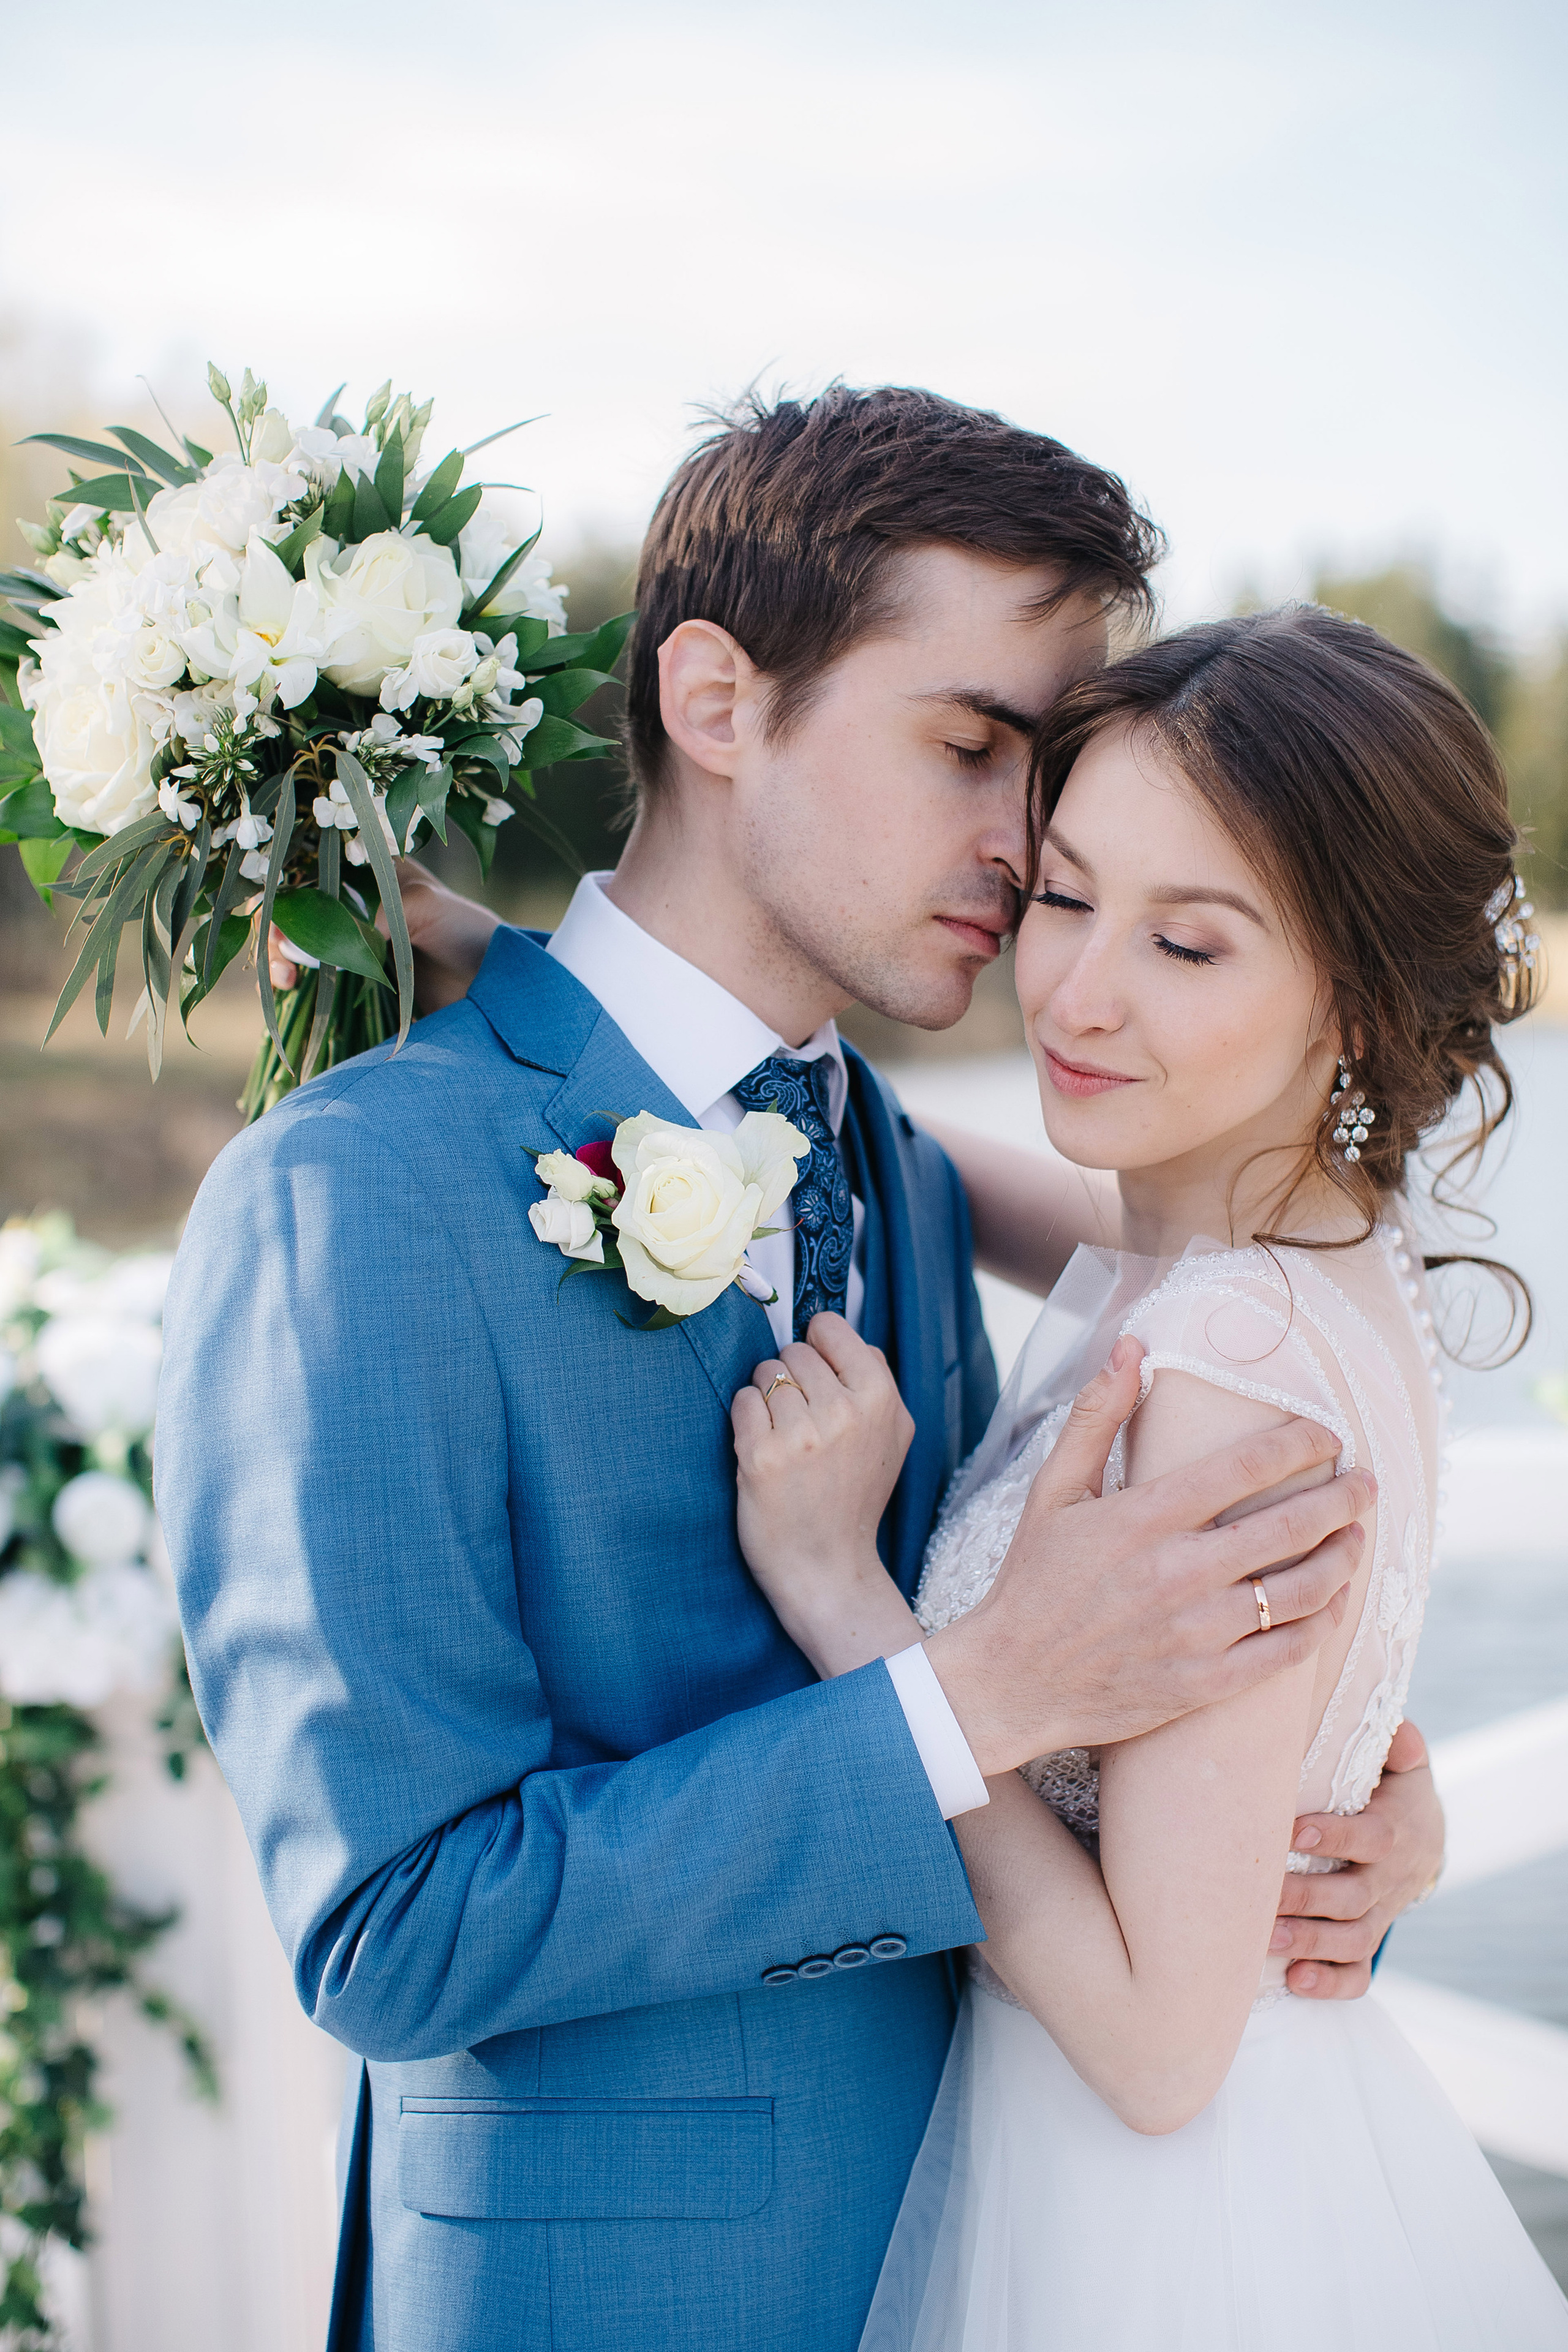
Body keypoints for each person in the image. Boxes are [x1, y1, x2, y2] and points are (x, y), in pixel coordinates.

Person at [160, 389, 1442, 2352]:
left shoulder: (897, 1164)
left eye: (1054, 767)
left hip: (1027, 2251)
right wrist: (975, 1699)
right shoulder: (349, 1202)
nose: (1029, 851)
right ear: (716, 699)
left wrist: (1350, 1809)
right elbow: (389, 1932)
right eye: (970, 748)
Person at [728, 604, 1568, 2350]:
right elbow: (953, 1176)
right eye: (1063, 895)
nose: (1078, 994)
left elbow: (1158, 2043)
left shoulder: (1232, 1367)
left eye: (1188, 946)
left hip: (1151, 2217)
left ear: (1353, 994)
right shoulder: (1269, 1237)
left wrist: (850, 1601)